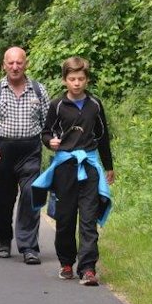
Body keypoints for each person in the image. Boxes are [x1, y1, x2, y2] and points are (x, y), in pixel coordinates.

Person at [36, 56, 114, 286]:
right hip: (65, 167)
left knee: (89, 218)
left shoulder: (95, 105)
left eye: (81, 79)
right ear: (64, 80)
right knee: (66, 217)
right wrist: (50, 142)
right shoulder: (57, 105)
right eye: (72, 79)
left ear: (87, 80)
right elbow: (46, 132)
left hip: (89, 166)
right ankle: (67, 263)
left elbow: (103, 137)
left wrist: (109, 166)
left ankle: (88, 268)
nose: (77, 83)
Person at [0, 47, 49, 264]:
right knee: (3, 198)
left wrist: (55, 142)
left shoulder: (38, 90)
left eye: (19, 63)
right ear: (4, 65)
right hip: (3, 151)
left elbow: (49, 125)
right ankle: (3, 241)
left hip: (30, 151)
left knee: (30, 195)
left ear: (26, 64)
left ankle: (29, 247)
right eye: (11, 63)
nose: (15, 67)